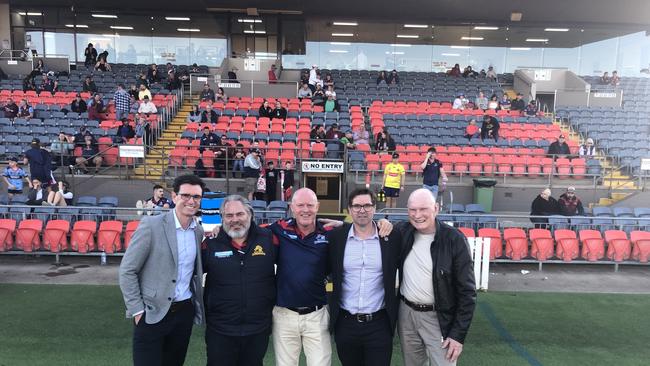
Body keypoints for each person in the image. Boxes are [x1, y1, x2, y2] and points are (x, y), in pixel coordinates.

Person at [119, 174, 206, 366]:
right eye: (185, 195)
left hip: (183, 313)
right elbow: (127, 270)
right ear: (174, 196)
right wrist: (137, 310)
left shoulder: (198, 231)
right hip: (151, 313)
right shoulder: (151, 225)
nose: (191, 201)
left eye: (196, 197)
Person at [398, 189, 476, 366]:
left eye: (423, 209)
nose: (417, 215)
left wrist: (457, 335)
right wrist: (345, 227)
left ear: (436, 208)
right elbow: (370, 230)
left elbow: (467, 292)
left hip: (440, 317)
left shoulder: (454, 240)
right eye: (412, 210)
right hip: (406, 314)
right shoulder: (403, 232)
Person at [327, 188, 402, 366]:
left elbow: (413, 226)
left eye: (367, 205)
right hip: (346, 323)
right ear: (349, 209)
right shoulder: (337, 237)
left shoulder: (391, 237)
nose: (362, 210)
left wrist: (386, 222)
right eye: (357, 206)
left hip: (379, 323)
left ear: (374, 208)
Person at [202, 195, 277, 366]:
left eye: (240, 214)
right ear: (222, 218)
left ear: (250, 214)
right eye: (229, 216)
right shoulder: (210, 244)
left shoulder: (268, 238)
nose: (235, 219)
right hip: (220, 329)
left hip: (257, 329)